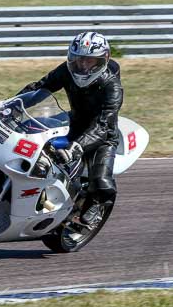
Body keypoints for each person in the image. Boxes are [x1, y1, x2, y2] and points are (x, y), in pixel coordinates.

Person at [18, 31, 124, 229]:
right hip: (72, 123)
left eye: (89, 61)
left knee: (101, 182)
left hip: (101, 136)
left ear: (103, 60)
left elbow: (102, 124)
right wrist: (13, 104)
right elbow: (41, 87)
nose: (82, 65)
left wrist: (77, 146)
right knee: (34, 150)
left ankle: (96, 203)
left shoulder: (112, 87)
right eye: (78, 60)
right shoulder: (67, 70)